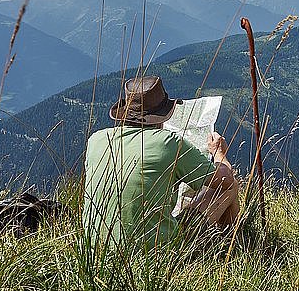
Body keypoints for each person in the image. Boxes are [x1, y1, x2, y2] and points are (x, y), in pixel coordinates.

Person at [83, 75, 239, 249]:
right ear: (163, 115)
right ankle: (229, 248)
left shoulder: (96, 140)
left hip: (95, 249)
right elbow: (225, 180)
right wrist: (218, 153)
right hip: (156, 253)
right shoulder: (168, 142)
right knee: (230, 185)